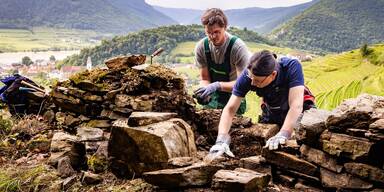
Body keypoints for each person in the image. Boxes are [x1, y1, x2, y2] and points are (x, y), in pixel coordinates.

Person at [206, 50, 315, 160]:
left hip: (301, 108)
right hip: (273, 109)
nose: (252, 83)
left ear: (273, 75)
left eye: (257, 81)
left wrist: (284, 133)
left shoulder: (291, 66)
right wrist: (221, 140)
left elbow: (296, 105)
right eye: (251, 78)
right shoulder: (248, 76)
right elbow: (230, 109)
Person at [193, 8, 250, 114]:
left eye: (216, 32)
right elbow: (205, 78)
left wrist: (217, 85)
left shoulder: (237, 48)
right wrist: (204, 91)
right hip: (213, 95)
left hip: (234, 94)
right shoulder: (201, 47)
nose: (213, 37)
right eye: (208, 33)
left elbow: (242, 84)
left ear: (225, 27)